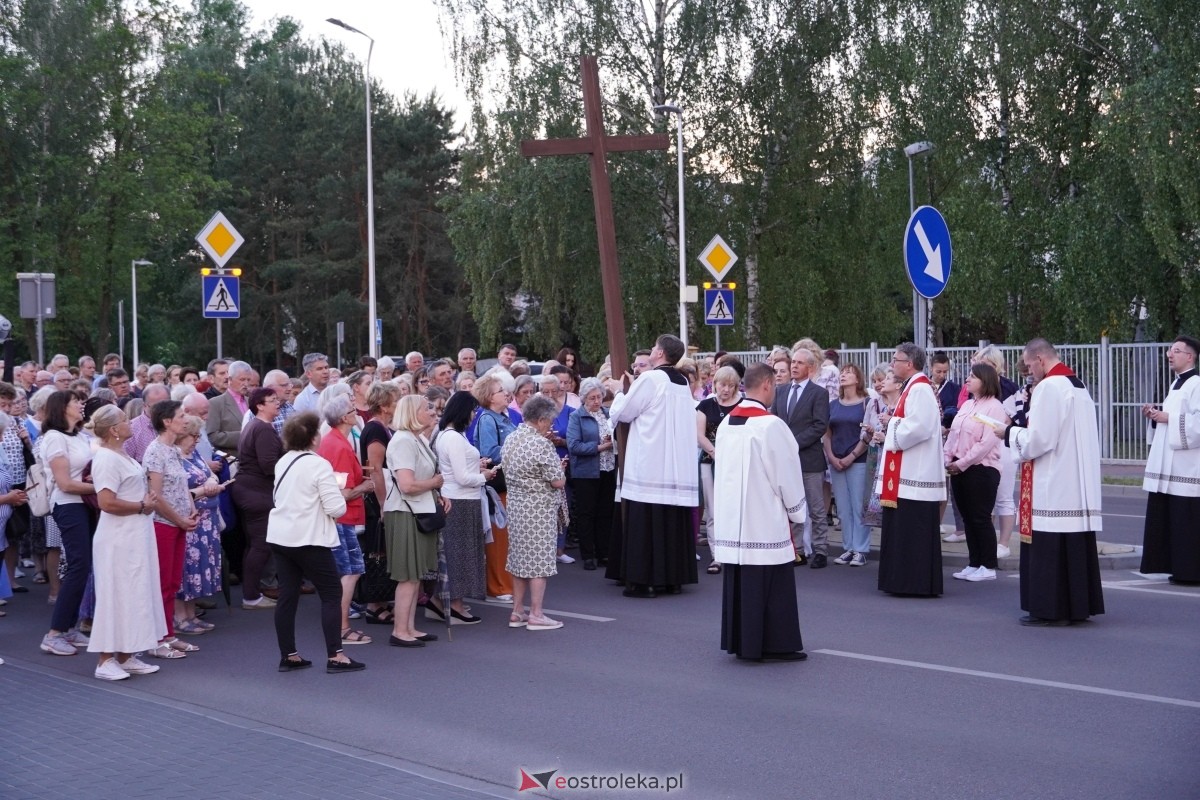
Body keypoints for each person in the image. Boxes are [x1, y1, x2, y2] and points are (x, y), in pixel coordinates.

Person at [1002, 338, 1104, 626]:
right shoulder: (1077, 385)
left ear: (1040, 359)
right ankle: (1076, 607)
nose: (1028, 370)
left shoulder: (1048, 387)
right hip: (1075, 481)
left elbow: (1040, 440)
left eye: (1028, 364)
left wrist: (1009, 433)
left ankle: (1050, 609)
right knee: (1071, 545)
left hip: (1053, 481)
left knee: (1048, 546)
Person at [712, 362, 808, 662]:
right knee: (772, 584)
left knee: (741, 581)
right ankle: (774, 643)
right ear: (767, 385)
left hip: (733, 520)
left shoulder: (728, 422)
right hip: (763, 518)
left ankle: (742, 641)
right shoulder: (770, 425)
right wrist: (797, 512)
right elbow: (786, 474)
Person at [268, 412, 365, 673]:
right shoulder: (319, 464)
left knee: (288, 596)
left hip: (280, 536)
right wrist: (339, 493)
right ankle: (336, 655)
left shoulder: (284, 461)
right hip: (310, 538)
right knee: (331, 595)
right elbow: (336, 508)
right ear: (313, 438)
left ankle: (289, 654)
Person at [605, 334, 699, 597]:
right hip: (675, 467)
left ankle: (644, 581)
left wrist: (618, 392)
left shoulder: (651, 378)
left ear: (659, 354)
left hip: (650, 465)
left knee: (646, 525)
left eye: (655, 348)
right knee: (670, 524)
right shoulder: (682, 383)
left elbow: (625, 412)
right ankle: (672, 579)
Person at [84, 405, 165, 680]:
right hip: (118, 536)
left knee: (135, 591)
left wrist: (145, 505)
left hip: (135, 532)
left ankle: (127, 654)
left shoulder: (122, 454)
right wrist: (141, 504)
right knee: (116, 594)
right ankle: (105, 660)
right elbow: (106, 502)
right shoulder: (106, 458)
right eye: (124, 419)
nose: (130, 422)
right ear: (114, 430)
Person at [877, 343, 946, 597]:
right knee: (903, 532)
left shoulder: (920, 389)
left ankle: (913, 583)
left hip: (914, 476)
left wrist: (892, 423)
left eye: (896, 360)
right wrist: (895, 421)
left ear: (909, 364)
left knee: (912, 532)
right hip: (907, 475)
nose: (892, 364)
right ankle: (901, 580)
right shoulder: (913, 387)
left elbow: (921, 427)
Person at [383, 395, 446, 647]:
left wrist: (437, 493)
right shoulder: (403, 441)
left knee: (416, 573)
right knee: (408, 575)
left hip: (419, 510)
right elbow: (407, 485)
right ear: (412, 413)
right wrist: (435, 483)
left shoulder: (415, 438)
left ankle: (409, 627)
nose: (431, 411)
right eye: (425, 408)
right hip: (406, 512)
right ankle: (400, 631)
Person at [39, 391, 98, 656]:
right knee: (78, 565)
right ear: (62, 408)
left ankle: (69, 627)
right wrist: (100, 488)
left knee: (83, 566)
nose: (81, 404)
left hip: (84, 504)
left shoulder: (80, 436)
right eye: (76, 401)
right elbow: (64, 483)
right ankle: (54, 633)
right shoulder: (54, 438)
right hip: (68, 504)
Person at [502, 395, 568, 630]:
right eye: (549, 422)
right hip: (539, 509)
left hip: (517, 507)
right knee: (540, 562)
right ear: (540, 420)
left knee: (519, 560)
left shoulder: (511, 438)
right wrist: (560, 470)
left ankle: (517, 611)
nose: (550, 426)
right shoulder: (541, 444)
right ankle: (537, 614)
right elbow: (558, 482)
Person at [142, 399, 201, 659]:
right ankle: (156, 637)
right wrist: (179, 519)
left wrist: (191, 509)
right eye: (181, 415)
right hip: (163, 524)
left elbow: (181, 486)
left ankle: (168, 633)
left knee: (174, 581)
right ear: (167, 422)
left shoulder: (174, 450)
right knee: (163, 582)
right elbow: (155, 496)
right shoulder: (154, 451)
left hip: (178, 523)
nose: (185, 420)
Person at [1140, 335, 1200, 585]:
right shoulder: (1177, 384)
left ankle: (1191, 571)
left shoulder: (1196, 383)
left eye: (1175, 350)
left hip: (1187, 468)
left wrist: (1169, 418)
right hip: (1170, 467)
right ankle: (1176, 567)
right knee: (1171, 521)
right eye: (1169, 350)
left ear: (1190, 356)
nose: (1169, 354)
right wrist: (1155, 416)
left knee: (1186, 522)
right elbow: (1173, 417)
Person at [316, 396, 375, 646]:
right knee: (350, 572)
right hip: (344, 518)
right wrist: (367, 485)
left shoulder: (335, 441)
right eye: (353, 410)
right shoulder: (337, 446)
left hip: (341, 518)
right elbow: (343, 492)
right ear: (344, 418)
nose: (357, 413)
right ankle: (341, 628)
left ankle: (340, 626)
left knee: (348, 572)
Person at [433, 391, 495, 622]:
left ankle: (445, 602)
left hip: (462, 499)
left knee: (461, 552)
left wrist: (476, 467)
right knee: (459, 554)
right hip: (459, 500)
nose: (473, 415)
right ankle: (454, 604)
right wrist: (484, 476)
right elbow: (461, 477)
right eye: (471, 411)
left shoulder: (452, 435)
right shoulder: (453, 437)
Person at [944, 364, 1006, 582]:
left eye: (972, 377)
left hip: (982, 469)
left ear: (985, 380)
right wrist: (946, 459)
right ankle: (974, 562)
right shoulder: (968, 404)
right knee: (968, 518)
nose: (967, 380)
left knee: (980, 517)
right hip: (959, 468)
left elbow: (987, 443)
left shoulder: (995, 407)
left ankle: (988, 565)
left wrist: (962, 463)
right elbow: (953, 435)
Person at [774, 348, 830, 568]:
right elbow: (775, 421)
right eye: (793, 362)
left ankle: (821, 550)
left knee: (816, 508)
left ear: (811, 367)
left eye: (799, 363)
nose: (794, 366)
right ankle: (797, 550)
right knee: (792, 506)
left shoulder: (819, 393)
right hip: (786, 461)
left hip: (809, 459)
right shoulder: (781, 391)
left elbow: (819, 425)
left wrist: (792, 443)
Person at [232, 388, 283, 609]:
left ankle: (251, 592)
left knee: (254, 545)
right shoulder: (263, 429)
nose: (277, 404)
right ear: (260, 405)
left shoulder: (256, 426)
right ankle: (251, 597)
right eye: (272, 401)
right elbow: (268, 465)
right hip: (257, 492)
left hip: (249, 490)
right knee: (260, 545)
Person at [173, 415, 223, 633]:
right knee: (185, 568)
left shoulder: (193, 455)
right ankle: (179, 617)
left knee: (198, 568)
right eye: (193, 436)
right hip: (189, 521)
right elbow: (177, 490)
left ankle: (191, 614)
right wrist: (205, 489)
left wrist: (212, 482)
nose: (196, 440)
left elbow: (212, 475)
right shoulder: (173, 457)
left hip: (206, 521)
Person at [359, 381, 401, 626]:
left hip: (381, 496)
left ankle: (382, 601)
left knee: (383, 551)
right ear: (385, 405)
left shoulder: (382, 427)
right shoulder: (375, 430)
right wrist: (383, 503)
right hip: (377, 500)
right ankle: (374, 605)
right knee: (377, 551)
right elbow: (375, 469)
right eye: (395, 401)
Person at [473, 373, 517, 602]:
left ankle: (505, 583)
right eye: (501, 390)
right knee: (498, 537)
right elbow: (490, 452)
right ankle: (497, 586)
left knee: (507, 537)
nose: (506, 393)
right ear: (489, 397)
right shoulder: (487, 419)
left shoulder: (505, 417)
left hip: (509, 482)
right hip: (496, 484)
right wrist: (519, 449)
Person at [696, 366, 742, 574]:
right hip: (709, 460)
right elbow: (699, 435)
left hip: (736, 462)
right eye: (723, 384)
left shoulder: (742, 405)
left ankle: (735, 551)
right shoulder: (705, 405)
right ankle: (717, 556)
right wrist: (715, 452)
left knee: (734, 508)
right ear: (715, 384)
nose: (726, 389)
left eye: (731, 385)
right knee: (713, 510)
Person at [567, 378, 616, 571]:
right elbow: (573, 445)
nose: (596, 401)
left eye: (599, 397)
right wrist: (599, 446)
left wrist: (611, 442)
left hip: (608, 468)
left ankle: (603, 552)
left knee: (605, 512)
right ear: (583, 399)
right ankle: (588, 555)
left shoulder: (607, 414)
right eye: (592, 398)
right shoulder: (577, 417)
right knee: (586, 513)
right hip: (586, 472)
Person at [825, 364, 871, 566]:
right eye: (842, 372)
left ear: (858, 379)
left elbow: (868, 435)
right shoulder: (833, 404)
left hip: (858, 460)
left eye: (849, 372)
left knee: (858, 506)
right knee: (843, 508)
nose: (843, 375)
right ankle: (848, 547)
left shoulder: (866, 403)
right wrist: (832, 457)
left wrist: (852, 456)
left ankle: (861, 549)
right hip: (836, 461)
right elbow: (827, 434)